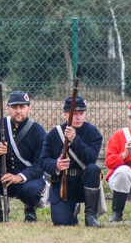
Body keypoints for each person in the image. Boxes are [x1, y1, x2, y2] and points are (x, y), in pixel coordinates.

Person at [0, 90, 47, 223]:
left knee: (32, 189)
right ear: (8, 108)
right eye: (14, 107)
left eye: (22, 107)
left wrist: (20, 177)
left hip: (27, 180)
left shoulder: (38, 131)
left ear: (29, 108)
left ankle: (30, 212)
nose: (18, 111)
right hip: (4, 177)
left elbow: (40, 165)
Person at [40, 96, 104, 227]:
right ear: (65, 114)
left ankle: (90, 215)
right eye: (74, 114)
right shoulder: (54, 134)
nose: (79, 117)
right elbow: (43, 161)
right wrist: (56, 165)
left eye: (81, 113)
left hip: (84, 182)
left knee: (93, 169)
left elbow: (91, 158)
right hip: (64, 183)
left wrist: (75, 140)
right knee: (61, 221)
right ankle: (72, 211)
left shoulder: (92, 133)